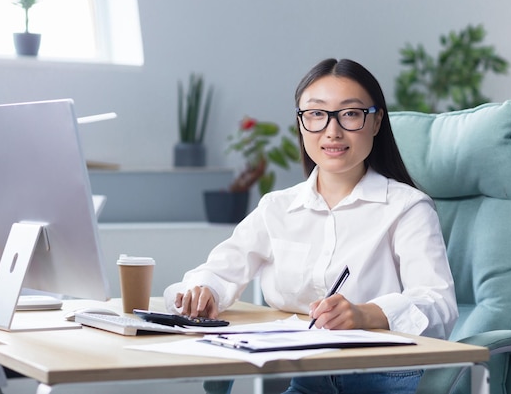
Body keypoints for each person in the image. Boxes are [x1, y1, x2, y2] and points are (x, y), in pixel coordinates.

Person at [164, 58, 458, 394]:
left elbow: (439, 305)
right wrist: (203, 291)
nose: (332, 131)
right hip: (309, 379)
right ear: (301, 124)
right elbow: (218, 271)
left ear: (375, 122)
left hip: (388, 379)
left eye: (350, 114)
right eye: (317, 114)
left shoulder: (407, 208)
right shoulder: (278, 208)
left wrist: (366, 314)